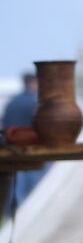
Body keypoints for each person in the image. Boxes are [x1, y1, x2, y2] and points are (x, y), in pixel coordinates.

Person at [2, 73, 48, 206]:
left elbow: (5, 124)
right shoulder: (33, 103)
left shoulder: (12, 102)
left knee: (16, 187)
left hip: (12, 150)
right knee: (32, 190)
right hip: (30, 151)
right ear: (32, 83)